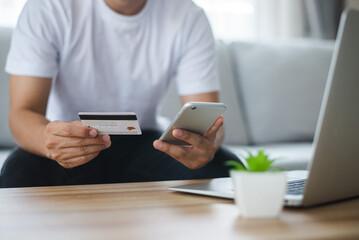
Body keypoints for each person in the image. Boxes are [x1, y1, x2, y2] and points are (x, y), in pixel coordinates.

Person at [0, 0, 239, 188]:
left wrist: (207, 145)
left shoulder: (189, 16)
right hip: (71, 139)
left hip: (146, 142)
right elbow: (23, 113)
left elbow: (210, 124)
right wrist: (46, 139)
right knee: (19, 171)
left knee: (228, 170)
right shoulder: (47, 7)